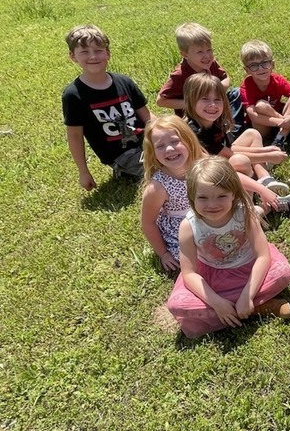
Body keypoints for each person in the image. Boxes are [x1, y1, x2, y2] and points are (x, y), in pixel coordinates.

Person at [167, 157, 290, 338]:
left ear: (233, 194)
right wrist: (217, 302)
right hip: (213, 277)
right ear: (192, 197)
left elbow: (263, 256)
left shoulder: (245, 214)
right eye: (203, 197)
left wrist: (247, 295)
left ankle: (244, 306)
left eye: (221, 196)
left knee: (283, 272)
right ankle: (260, 306)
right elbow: (189, 274)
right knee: (178, 305)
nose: (212, 204)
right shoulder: (188, 226)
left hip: (249, 268)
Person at [182, 73, 290, 216]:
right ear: (191, 100)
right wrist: (267, 157)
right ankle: (253, 209)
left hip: (220, 166)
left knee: (251, 134)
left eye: (217, 99)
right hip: (209, 183)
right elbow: (226, 158)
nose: (213, 105)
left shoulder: (212, 120)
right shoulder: (194, 131)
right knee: (241, 161)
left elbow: (229, 148)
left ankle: (265, 179)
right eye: (205, 99)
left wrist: (267, 151)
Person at [62, 24, 152, 190]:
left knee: (181, 150)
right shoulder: (74, 94)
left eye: (98, 50)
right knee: (163, 169)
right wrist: (84, 172)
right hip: (120, 154)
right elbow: (74, 136)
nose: (93, 56)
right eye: (84, 52)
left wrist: (169, 134)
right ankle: (124, 171)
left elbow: (147, 117)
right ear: (73, 56)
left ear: (108, 54)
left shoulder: (124, 82)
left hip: (146, 142)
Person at [156, 22, 246, 139]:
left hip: (214, 106)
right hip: (195, 117)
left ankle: (233, 131)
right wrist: (192, 103)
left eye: (209, 50)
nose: (207, 56)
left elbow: (226, 78)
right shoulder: (180, 75)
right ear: (185, 54)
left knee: (236, 93)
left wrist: (216, 91)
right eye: (200, 52)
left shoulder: (211, 64)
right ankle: (212, 135)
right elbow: (161, 101)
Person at [140, 116, 206, 272]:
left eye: (175, 141)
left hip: (209, 216)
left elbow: (230, 178)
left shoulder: (202, 163)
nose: (169, 149)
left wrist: (261, 189)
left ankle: (261, 209)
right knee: (200, 261)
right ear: (153, 153)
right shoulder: (157, 187)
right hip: (182, 234)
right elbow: (147, 223)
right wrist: (163, 254)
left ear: (189, 141)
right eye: (160, 146)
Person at [238, 39, 290, 149]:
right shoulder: (247, 85)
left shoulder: (278, 80)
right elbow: (254, 117)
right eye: (254, 65)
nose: (261, 68)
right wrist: (284, 122)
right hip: (262, 126)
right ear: (247, 70)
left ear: (272, 64)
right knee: (260, 105)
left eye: (265, 63)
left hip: (278, 118)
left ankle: (279, 140)